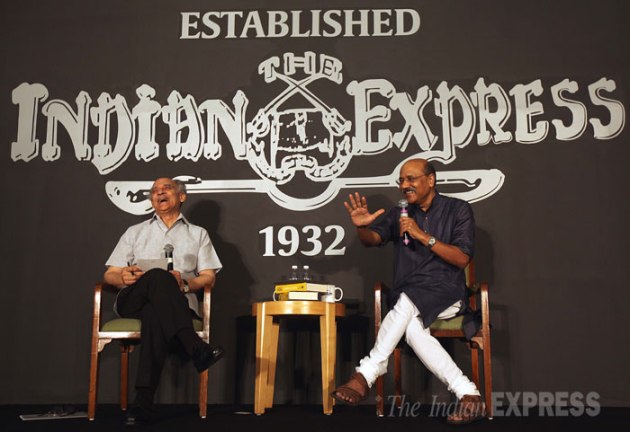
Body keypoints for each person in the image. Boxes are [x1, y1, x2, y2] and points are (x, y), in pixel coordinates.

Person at [331, 158, 485, 425]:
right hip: (409, 295)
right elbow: (372, 240)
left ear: (431, 180)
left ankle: (366, 373)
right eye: (401, 180)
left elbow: (462, 258)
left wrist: (422, 235)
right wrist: (361, 227)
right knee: (412, 327)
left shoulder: (458, 209)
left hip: (446, 292)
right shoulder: (399, 213)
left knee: (406, 301)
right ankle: (469, 394)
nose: (404, 185)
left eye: (411, 179)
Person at [104, 177, 224, 426]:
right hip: (133, 300)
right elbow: (110, 274)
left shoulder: (198, 234)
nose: (159, 193)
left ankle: (143, 403)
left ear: (181, 196)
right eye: (154, 190)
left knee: (154, 315)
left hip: (174, 304)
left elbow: (208, 277)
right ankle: (195, 347)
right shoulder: (135, 232)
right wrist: (123, 276)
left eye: (166, 188)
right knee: (159, 276)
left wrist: (185, 284)